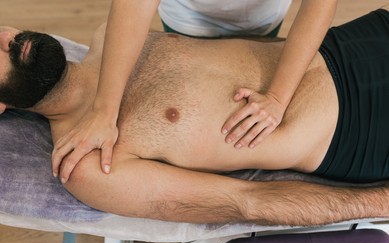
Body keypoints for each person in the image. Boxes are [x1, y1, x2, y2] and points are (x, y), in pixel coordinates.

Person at [0, 6, 388, 226]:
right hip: (360, 132)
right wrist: (380, 204)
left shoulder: (108, 36)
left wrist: (106, 109)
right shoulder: (88, 170)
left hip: (356, 42)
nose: (6, 38)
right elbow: (248, 202)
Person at [52, 0, 338, 182]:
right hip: (187, 12)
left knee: (254, 52)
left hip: (261, 11)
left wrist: (277, 97)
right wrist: (104, 111)